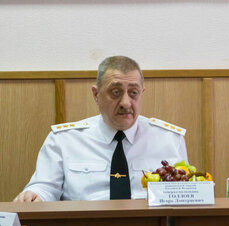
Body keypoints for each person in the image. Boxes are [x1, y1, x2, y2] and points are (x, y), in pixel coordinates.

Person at [14, 56, 188, 202]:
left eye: (133, 93)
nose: (126, 103)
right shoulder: (64, 140)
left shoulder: (169, 139)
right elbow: (44, 187)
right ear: (96, 94)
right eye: (115, 92)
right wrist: (35, 195)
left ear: (142, 93)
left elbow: (184, 195)